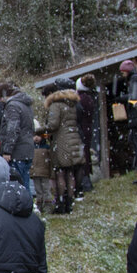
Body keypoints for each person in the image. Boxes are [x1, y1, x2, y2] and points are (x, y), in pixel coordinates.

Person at [43, 80, 84, 214]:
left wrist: (40, 130)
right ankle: (69, 203)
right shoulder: (71, 104)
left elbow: (53, 125)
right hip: (73, 139)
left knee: (60, 172)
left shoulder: (56, 105)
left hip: (61, 141)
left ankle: (61, 204)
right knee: (70, 172)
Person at [0, 84, 37, 193]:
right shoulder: (26, 105)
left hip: (17, 151)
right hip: (27, 149)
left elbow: (13, 129)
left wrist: (7, 150)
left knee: (17, 186)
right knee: (25, 184)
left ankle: (23, 204)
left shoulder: (13, 106)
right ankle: (28, 203)